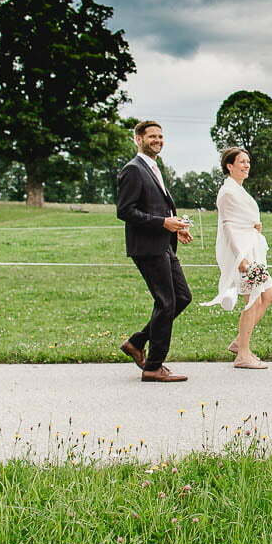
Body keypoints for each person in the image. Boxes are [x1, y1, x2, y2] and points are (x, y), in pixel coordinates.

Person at [116, 120, 193, 383]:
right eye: (151, 136)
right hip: (147, 247)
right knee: (166, 302)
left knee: (182, 297)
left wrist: (174, 227)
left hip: (164, 244)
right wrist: (162, 223)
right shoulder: (133, 170)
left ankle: (137, 342)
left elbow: (159, 207)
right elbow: (125, 211)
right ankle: (153, 366)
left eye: (160, 136)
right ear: (138, 139)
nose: (157, 140)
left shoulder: (153, 168)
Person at [200, 147, 272, 369]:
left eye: (248, 162)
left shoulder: (240, 190)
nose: (246, 165)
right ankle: (243, 354)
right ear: (229, 166)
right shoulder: (227, 192)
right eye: (241, 162)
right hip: (243, 254)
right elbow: (228, 227)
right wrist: (240, 259)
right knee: (252, 300)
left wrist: (255, 224)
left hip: (254, 250)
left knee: (268, 296)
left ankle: (238, 342)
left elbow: (243, 219)